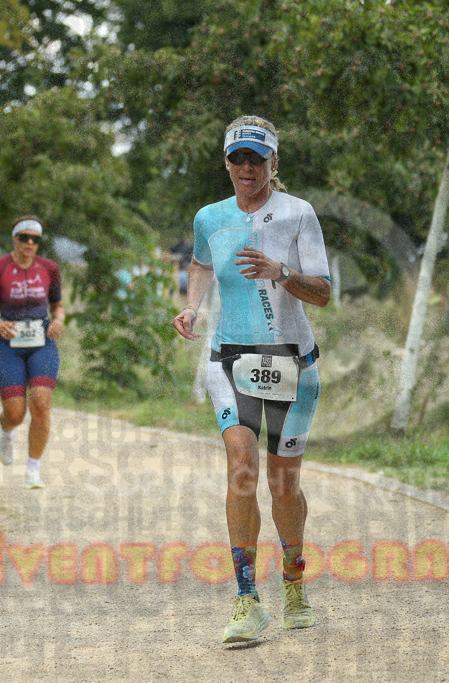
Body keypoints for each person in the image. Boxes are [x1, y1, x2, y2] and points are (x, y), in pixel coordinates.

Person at [173, 115, 331, 643]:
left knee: (283, 485)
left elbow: (323, 293)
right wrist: (192, 306)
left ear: (273, 162)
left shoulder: (298, 214)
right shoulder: (209, 217)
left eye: (256, 159)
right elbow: (201, 264)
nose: (247, 168)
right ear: (226, 163)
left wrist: (280, 273)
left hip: (293, 363)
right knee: (241, 466)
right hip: (230, 359)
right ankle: (246, 599)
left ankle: (293, 579)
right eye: (238, 158)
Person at [0, 216, 65, 489]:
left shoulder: (49, 268)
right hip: (9, 343)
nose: (29, 243)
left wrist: (59, 320)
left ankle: (33, 471)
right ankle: (6, 430)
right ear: (14, 239)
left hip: (42, 342)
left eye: (35, 239)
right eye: (24, 237)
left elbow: (57, 306)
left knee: (41, 405)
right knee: (15, 413)